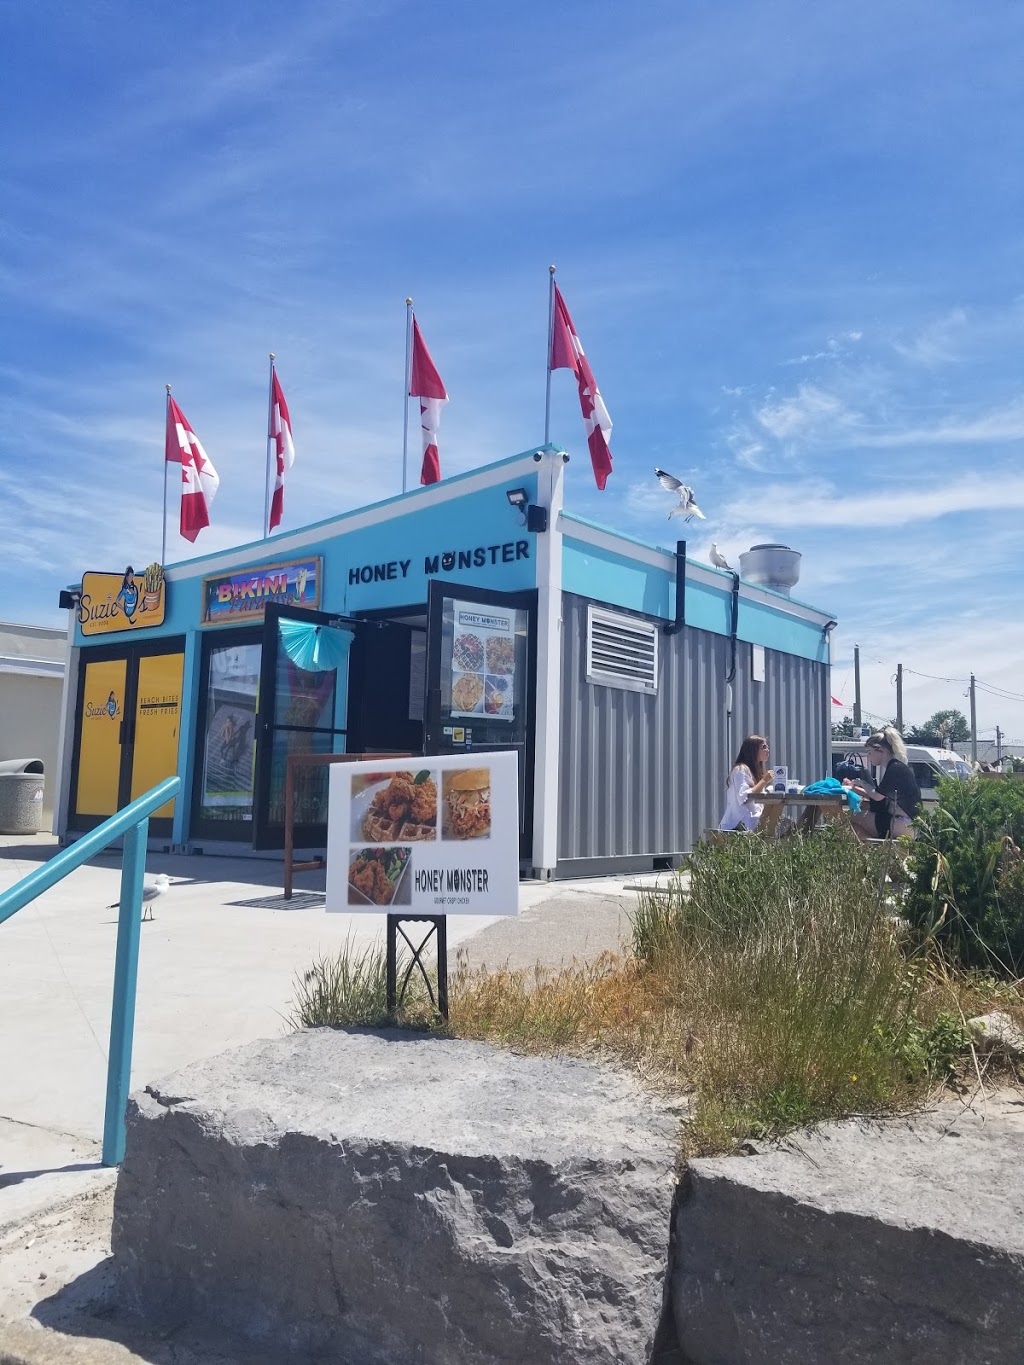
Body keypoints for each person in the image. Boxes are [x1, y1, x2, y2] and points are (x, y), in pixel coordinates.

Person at [849, 727, 921, 841]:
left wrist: (861, 782)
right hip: (907, 824)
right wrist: (854, 789)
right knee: (854, 821)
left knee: (849, 818)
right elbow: (880, 797)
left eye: (869, 752)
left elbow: (877, 796)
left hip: (900, 823)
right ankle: (874, 850)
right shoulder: (897, 766)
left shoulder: (894, 768)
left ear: (880, 750)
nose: (868, 757)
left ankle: (871, 851)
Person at [719, 735, 773, 831]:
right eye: (763, 747)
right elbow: (743, 797)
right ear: (753, 750)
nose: (767, 750)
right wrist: (764, 781)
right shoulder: (740, 770)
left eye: (767, 747)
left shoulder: (756, 771)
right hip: (737, 826)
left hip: (753, 823)